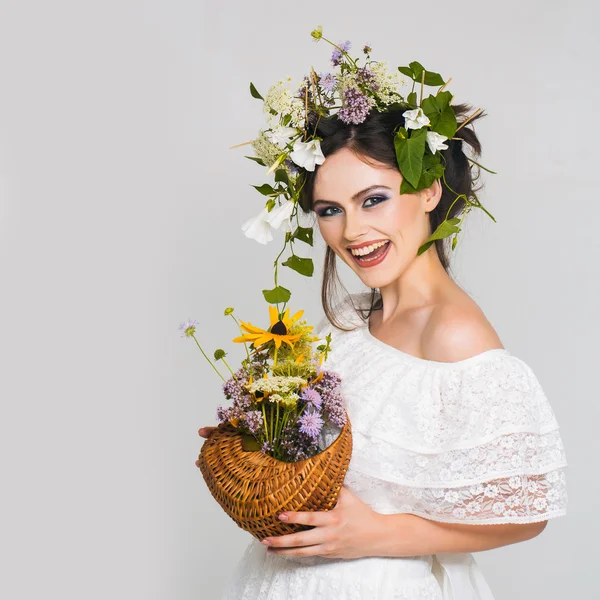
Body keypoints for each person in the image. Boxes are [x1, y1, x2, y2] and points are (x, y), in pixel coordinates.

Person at [197, 29, 568, 599]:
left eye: (374, 199)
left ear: (427, 191)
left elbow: (526, 514)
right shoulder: (348, 319)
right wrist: (257, 439)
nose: (352, 232)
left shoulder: (456, 337)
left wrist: (375, 535)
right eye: (329, 209)